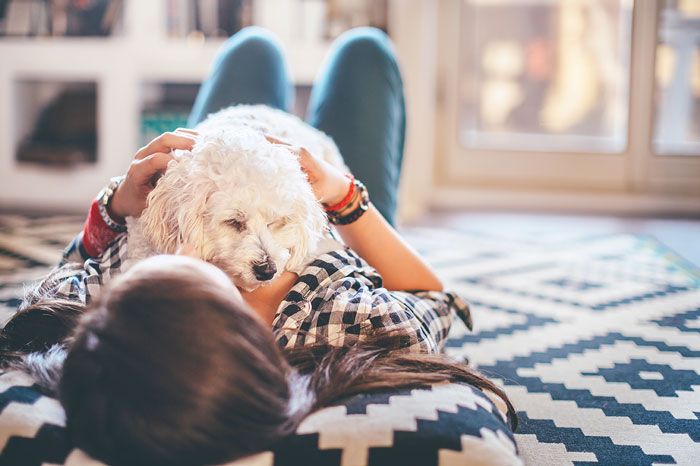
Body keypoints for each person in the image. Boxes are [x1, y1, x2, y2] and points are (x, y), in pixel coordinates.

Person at [0, 27, 516, 465]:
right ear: (223, 324)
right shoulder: (330, 318)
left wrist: (112, 208)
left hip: (227, 150)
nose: (173, 249)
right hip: (332, 195)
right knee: (366, 50)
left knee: (252, 47)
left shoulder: (115, 316)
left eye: (158, 265)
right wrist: (345, 197)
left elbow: (57, 292)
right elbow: (432, 297)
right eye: (187, 267)